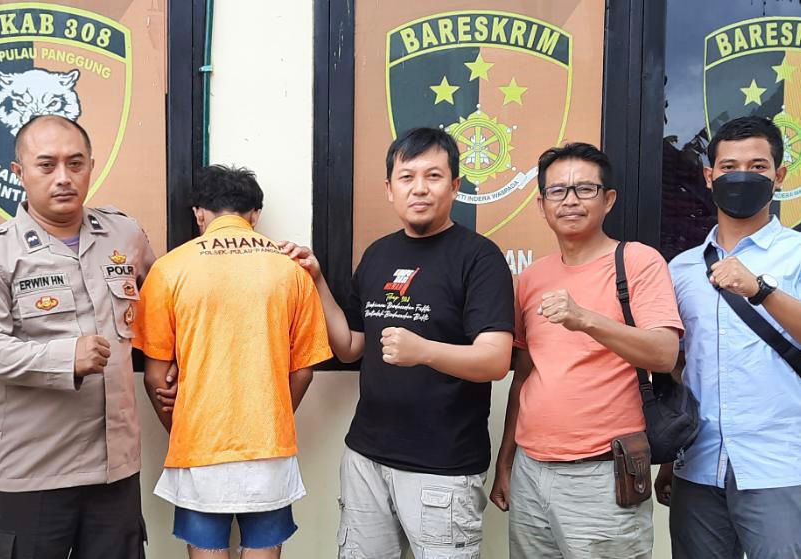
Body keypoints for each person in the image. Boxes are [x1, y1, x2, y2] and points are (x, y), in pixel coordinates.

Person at [281, 127, 514, 557]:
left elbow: (496, 360)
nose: (419, 188)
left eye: (433, 176)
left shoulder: (480, 258)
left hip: (442, 467)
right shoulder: (378, 255)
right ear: (390, 189)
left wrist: (424, 351)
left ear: (455, 186)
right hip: (366, 457)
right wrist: (316, 280)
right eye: (407, 177)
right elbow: (351, 346)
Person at [0, 115, 155, 559]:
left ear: (91, 167)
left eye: (76, 163)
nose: (64, 177)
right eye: (46, 165)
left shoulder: (124, 233)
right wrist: (66, 358)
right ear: (19, 172)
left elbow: (165, 299)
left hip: (115, 469)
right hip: (34, 470)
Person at [489, 142, 682, 558]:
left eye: (585, 189)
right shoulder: (532, 277)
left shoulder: (637, 262)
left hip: (602, 473)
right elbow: (524, 375)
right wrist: (505, 461)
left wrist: (585, 319)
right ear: (541, 205)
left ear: (608, 199)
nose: (570, 200)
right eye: (557, 191)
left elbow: (665, 353)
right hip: (530, 469)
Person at [134, 165, 332, 559]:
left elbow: (155, 377)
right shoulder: (291, 270)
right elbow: (304, 373)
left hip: (199, 449)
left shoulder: (169, 269)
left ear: (199, 214)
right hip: (270, 449)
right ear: (254, 215)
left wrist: (183, 427)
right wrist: (271, 418)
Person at [657, 115, 801, 558]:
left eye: (757, 167)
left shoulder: (796, 254)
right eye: (729, 167)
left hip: (780, 465)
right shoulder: (682, 268)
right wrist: (670, 457)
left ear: (779, 175)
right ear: (709, 176)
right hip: (698, 465)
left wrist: (761, 290)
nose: (742, 176)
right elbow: (679, 366)